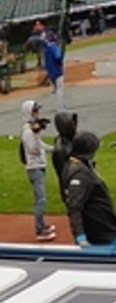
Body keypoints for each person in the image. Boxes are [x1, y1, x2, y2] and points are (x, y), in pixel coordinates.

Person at [63, 131, 116, 247]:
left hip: (104, 229)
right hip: (102, 233)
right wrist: (80, 236)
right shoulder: (80, 173)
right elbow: (74, 206)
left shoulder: (81, 165)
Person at [20, 99, 56, 241]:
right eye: (35, 111)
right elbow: (34, 149)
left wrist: (54, 150)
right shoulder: (28, 132)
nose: (37, 114)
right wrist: (37, 131)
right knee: (41, 200)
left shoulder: (31, 129)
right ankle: (40, 231)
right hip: (34, 168)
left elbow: (40, 145)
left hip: (39, 166)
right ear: (29, 112)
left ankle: (42, 225)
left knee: (39, 199)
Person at [43, 27, 65, 111]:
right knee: (60, 90)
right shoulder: (54, 47)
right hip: (57, 71)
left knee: (55, 90)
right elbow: (58, 57)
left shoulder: (46, 49)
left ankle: (58, 106)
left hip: (50, 73)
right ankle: (60, 107)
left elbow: (45, 63)